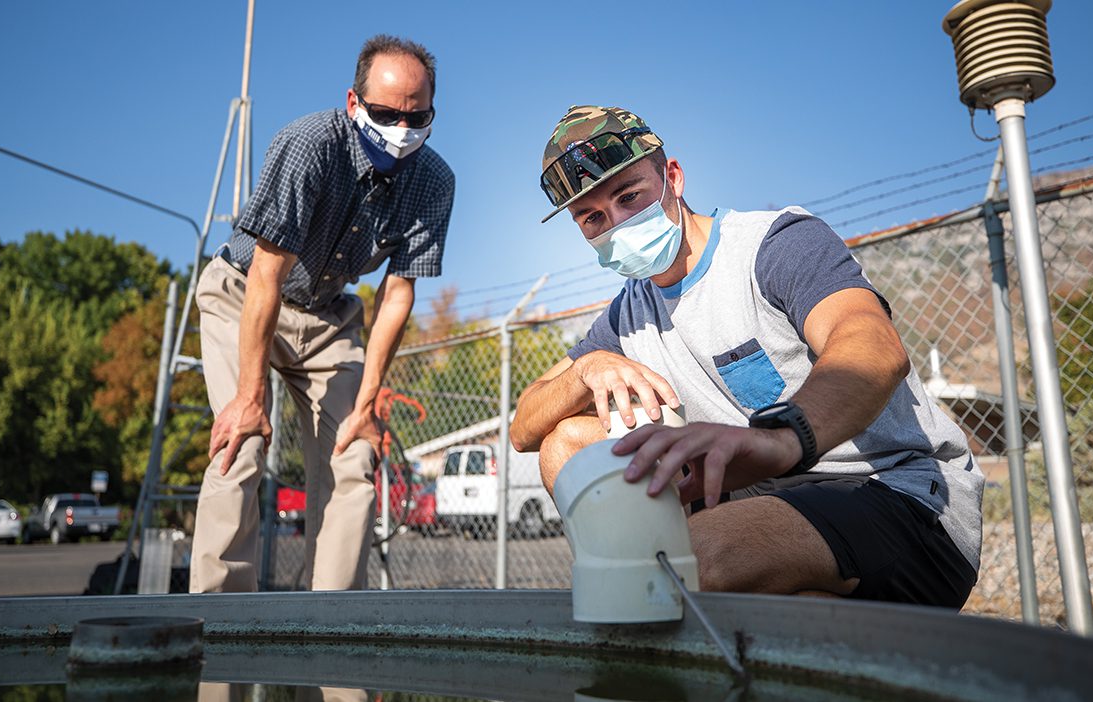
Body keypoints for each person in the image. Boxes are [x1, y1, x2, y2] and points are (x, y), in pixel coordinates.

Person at [509, 106, 983, 608]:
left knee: (701, 554)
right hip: (759, 498)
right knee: (568, 440)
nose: (618, 224)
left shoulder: (772, 245)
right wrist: (585, 369)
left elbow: (872, 345)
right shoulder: (630, 313)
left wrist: (784, 437)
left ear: (673, 176)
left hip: (894, 492)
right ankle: (632, 610)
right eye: (593, 217)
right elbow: (523, 428)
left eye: (630, 196)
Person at [191, 35, 454, 592]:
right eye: (386, 114)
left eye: (417, 116)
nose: (402, 130)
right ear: (354, 103)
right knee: (242, 444)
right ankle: (218, 624)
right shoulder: (309, 144)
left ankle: (331, 633)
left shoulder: (435, 180)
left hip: (329, 317)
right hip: (245, 294)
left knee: (354, 455)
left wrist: (368, 401)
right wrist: (248, 396)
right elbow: (267, 272)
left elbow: (397, 293)